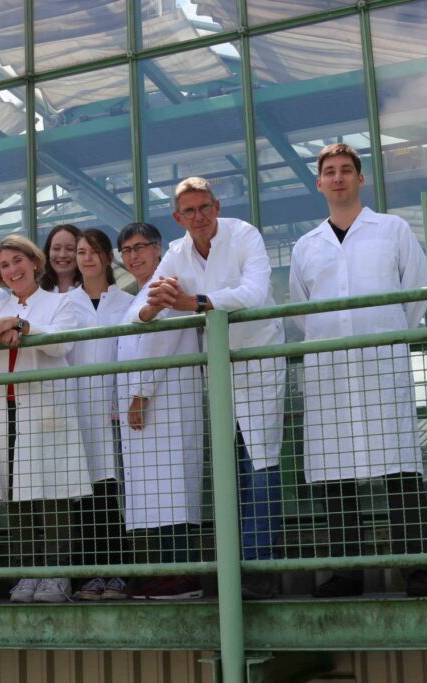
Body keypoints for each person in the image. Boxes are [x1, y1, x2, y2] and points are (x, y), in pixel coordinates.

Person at [289, 143, 427, 598]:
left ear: (360, 179)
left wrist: (385, 333)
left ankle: (417, 570)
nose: (337, 178)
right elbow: (300, 311)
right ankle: (347, 572)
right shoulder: (305, 246)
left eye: (346, 171)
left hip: (381, 367)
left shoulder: (391, 229)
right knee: (335, 474)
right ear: (318, 184)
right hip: (329, 373)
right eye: (329, 172)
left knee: (400, 472)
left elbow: (417, 293)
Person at [134, 177, 287, 600]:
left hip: (259, 360)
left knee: (261, 467)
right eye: (189, 211)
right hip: (217, 370)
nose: (199, 217)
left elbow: (253, 294)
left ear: (217, 207)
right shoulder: (177, 253)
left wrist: (192, 302)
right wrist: (157, 303)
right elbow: (146, 310)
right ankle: (237, 570)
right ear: (177, 217)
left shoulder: (244, 235)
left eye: (205, 207)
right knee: (230, 471)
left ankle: (261, 573)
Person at [0, 235, 92, 603]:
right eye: (4, 266)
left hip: (42, 409)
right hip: (2, 410)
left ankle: (56, 575)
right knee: (16, 495)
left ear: (35, 263)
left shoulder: (62, 301)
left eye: (18, 261)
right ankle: (27, 573)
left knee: (51, 493)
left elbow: (61, 343)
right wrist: (4, 327)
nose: (12, 270)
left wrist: (21, 327)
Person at [118, 224, 205, 600]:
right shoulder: (135, 295)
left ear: (157, 249)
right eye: (126, 250)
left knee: (173, 487)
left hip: (166, 401)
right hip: (147, 406)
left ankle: (182, 575)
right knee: (153, 492)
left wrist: (140, 393)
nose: (134, 256)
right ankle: (163, 572)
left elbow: (161, 341)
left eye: (140, 247)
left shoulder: (168, 284)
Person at [65, 229, 133, 600]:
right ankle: (91, 575)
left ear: (107, 257)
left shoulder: (126, 302)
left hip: (114, 411)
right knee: (84, 498)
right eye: (81, 252)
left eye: (93, 252)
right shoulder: (66, 304)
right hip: (77, 413)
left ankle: (117, 573)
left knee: (113, 494)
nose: (87, 258)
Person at [39, 224, 82, 293]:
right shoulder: (36, 291)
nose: (62, 255)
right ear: (48, 253)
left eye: (70, 249)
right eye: (56, 248)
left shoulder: (92, 291)